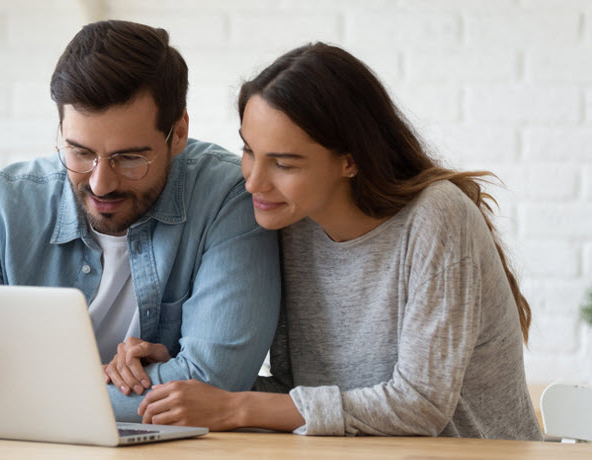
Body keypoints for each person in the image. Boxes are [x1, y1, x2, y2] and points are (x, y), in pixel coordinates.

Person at [136, 42, 543, 440]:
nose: (253, 181)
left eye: (283, 163)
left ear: (350, 160)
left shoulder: (436, 217)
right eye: (248, 150)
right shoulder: (291, 223)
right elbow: (306, 400)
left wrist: (236, 407)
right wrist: (185, 384)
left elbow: (420, 405)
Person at [0, 20, 281, 423]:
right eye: (79, 152)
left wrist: (3, 392)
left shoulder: (227, 197)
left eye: (129, 158)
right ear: (60, 130)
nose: (101, 183)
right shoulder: (5, 204)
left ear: (177, 134)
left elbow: (214, 383)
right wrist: (98, 385)